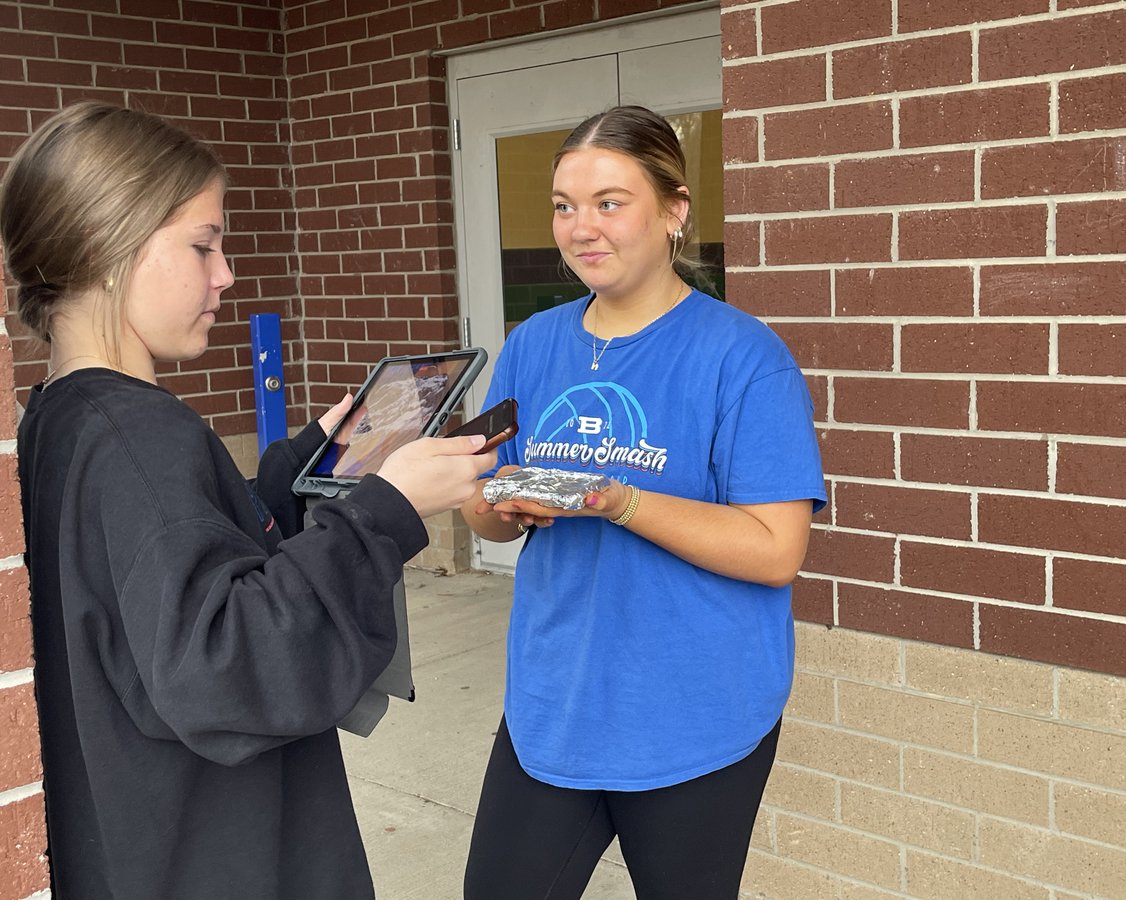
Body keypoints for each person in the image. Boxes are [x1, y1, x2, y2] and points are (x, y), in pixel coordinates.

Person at [0, 101, 496, 900]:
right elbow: (227, 665)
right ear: (106, 246)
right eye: (203, 243)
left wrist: (301, 467)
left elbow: (159, 575)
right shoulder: (140, 437)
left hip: (139, 845)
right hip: (223, 855)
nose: (226, 273)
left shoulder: (56, 419)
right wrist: (385, 511)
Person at [460, 105, 827, 899]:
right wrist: (503, 503)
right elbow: (483, 509)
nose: (581, 228)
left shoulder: (743, 356)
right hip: (552, 700)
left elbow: (775, 550)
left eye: (609, 202)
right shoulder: (533, 343)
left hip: (694, 711)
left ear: (674, 210)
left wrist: (618, 501)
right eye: (563, 205)